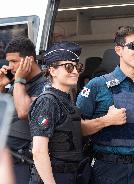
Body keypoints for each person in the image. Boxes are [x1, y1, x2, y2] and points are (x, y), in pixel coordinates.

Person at [76, 25, 134, 184]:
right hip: (107, 170)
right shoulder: (97, 86)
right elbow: (77, 129)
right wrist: (106, 121)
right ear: (119, 50)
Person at [28, 41, 90, 184]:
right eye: (69, 67)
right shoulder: (48, 101)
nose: (75, 71)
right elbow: (38, 151)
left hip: (71, 175)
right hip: (54, 176)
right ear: (53, 70)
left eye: (77, 67)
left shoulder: (66, 99)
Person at [0, 37, 46, 184]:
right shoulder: (17, 82)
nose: (10, 66)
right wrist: (1, 86)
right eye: (8, 62)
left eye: (14, 61)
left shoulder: (45, 85)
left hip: (23, 162)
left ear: (29, 60)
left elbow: (24, 112)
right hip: (7, 158)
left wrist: (19, 80)